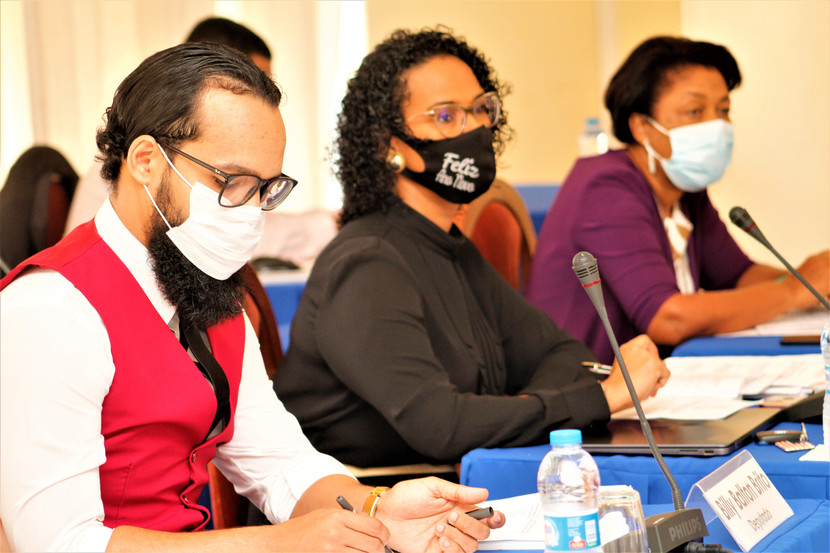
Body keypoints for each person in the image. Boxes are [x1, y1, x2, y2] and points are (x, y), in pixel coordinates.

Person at [0, 42, 501, 553]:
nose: (250, 211)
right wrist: (279, 543)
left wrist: (377, 509)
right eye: (232, 182)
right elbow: (58, 542)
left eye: (266, 188)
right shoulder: (50, 310)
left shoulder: (211, 294)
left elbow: (279, 462)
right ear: (146, 161)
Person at [272, 28, 670, 469]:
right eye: (446, 116)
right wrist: (603, 397)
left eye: (482, 109)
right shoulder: (366, 264)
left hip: (451, 484)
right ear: (388, 145)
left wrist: (514, 412)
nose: (477, 128)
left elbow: (566, 357)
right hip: (365, 500)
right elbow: (441, 427)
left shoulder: (450, 246)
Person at [525, 36, 830, 365]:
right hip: (588, 384)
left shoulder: (685, 189)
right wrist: (792, 292)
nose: (716, 125)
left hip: (655, 378)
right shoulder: (605, 186)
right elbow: (667, 318)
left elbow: (738, 276)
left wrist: (813, 283)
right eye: (695, 111)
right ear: (642, 127)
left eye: (723, 110)